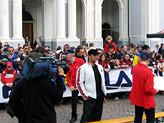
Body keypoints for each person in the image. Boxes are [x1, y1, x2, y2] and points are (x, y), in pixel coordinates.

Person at [7, 51, 65, 123]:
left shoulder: (21, 82)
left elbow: (12, 102)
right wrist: (60, 78)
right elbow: (58, 98)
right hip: (47, 119)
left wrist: (23, 116)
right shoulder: (46, 81)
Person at [76, 49, 107, 123]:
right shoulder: (83, 68)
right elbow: (79, 83)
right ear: (89, 56)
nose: (96, 57)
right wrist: (86, 96)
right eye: (94, 55)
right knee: (87, 117)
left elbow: (102, 81)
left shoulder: (100, 67)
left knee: (97, 116)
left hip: (99, 96)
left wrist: (104, 93)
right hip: (90, 97)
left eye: (97, 55)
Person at [129, 52, 159, 123]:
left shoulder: (135, 68)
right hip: (146, 99)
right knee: (150, 119)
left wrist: (150, 73)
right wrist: (155, 91)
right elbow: (148, 89)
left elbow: (141, 75)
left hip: (137, 97)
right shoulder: (148, 72)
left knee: (138, 117)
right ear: (148, 60)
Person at [65, 50, 85, 123]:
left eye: (66, 55)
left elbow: (86, 71)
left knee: (86, 100)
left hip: (83, 84)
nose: (65, 56)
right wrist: (70, 85)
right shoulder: (68, 64)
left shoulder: (80, 61)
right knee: (73, 101)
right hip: (74, 85)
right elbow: (67, 76)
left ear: (70, 55)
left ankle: (86, 115)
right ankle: (74, 116)